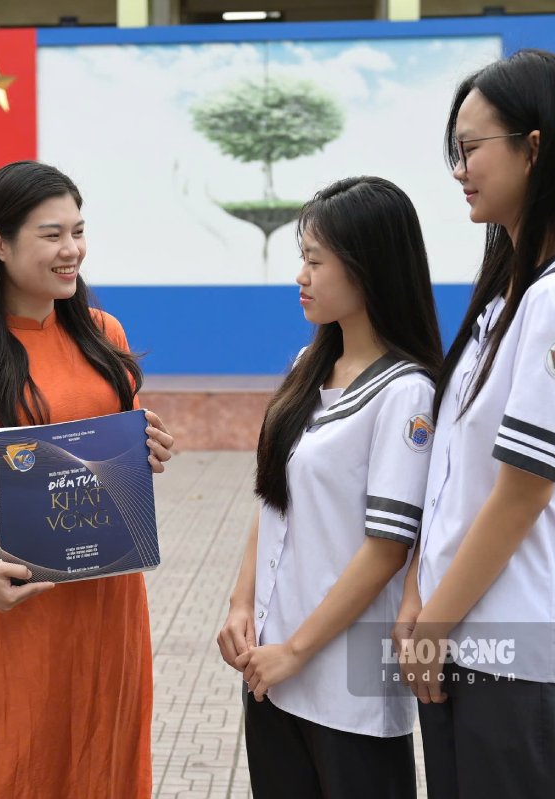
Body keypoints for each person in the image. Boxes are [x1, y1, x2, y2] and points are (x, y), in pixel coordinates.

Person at [395, 49, 555, 799]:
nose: (460, 168)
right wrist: (417, 599)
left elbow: (521, 494)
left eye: (471, 149)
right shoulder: (505, 300)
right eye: (454, 152)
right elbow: (453, 485)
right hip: (469, 643)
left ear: (535, 147)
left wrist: (433, 619)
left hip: (521, 657)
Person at [0, 160, 175, 799]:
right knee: (18, 759)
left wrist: (146, 448)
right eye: (52, 235)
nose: (72, 251)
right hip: (20, 597)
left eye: (79, 232)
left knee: (106, 750)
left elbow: (115, 454)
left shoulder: (104, 337)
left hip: (111, 593)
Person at [216, 176, 443, 798]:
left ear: (368, 268)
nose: (302, 276)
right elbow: (272, 499)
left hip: (343, 689)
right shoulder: (305, 367)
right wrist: (243, 607)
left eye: (315, 260)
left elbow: (387, 549)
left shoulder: (407, 393)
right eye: (302, 259)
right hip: (271, 669)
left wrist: (296, 649)